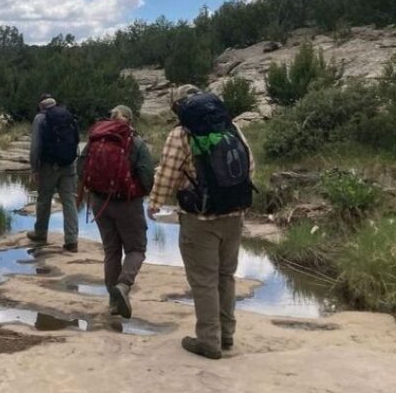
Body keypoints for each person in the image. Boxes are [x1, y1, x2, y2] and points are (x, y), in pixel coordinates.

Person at [147, 84, 256, 360]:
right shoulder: (231, 127)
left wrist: (155, 202)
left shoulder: (182, 133)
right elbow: (249, 165)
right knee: (225, 276)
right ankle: (227, 335)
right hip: (235, 214)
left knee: (204, 280)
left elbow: (167, 172)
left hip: (200, 218)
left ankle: (209, 341)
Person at [77, 105, 154, 319]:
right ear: (130, 120)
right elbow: (147, 176)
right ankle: (123, 285)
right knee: (136, 249)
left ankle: (113, 302)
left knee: (111, 251)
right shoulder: (135, 142)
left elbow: (80, 167)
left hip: (99, 202)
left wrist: (95, 188)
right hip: (128, 204)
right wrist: (138, 192)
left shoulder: (96, 138)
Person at [27, 93, 80, 252]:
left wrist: (34, 168)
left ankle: (40, 233)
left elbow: (35, 146)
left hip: (49, 166)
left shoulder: (40, 119)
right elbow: (76, 140)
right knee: (69, 201)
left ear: (40, 106)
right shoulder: (67, 115)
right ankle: (72, 240)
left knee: (44, 199)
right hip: (69, 164)